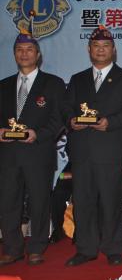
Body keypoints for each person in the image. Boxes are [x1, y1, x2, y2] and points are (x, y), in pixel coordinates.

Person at [63, 26, 122, 267]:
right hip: (82, 150)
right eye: (96, 46)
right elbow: (66, 108)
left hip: (110, 149)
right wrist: (71, 121)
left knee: (111, 200)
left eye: (106, 46)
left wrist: (110, 122)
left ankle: (113, 247)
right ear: (89, 49)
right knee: (83, 200)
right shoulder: (77, 79)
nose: (101, 50)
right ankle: (85, 248)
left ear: (113, 50)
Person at [0, 32, 65, 266]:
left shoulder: (53, 84)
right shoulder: (4, 85)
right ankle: (12, 248)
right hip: (8, 154)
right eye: (19, 50)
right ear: (14, 55)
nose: (24, 54)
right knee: (8, 202)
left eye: (29, 50)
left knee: (39, 202)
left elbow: (59, 118)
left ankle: (37, 247)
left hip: (38, 152)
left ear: (38, 55)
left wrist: (38, 134)